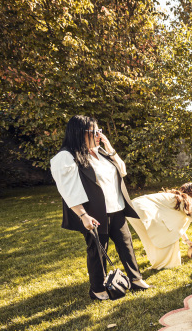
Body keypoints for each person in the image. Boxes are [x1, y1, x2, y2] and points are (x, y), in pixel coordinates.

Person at [50, 115, 149, 300]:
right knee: (98, 251)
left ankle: (136, 280)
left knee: (126, 245)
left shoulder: (100, 151)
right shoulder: (66, 157)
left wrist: (109, 148)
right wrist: (83, 215)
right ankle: (97, 289)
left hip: (117, 207)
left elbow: (122, 171)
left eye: (99, 131)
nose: (99, 135)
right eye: (94, 132)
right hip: (93, 213)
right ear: (80, 133)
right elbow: (68, 191)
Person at [127, 183, 192, 269]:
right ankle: (165, 265)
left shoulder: (176, 198)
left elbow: (175, 225)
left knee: (150, 239)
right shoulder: (185, 200)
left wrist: (186, 240)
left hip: (132, 207)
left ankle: (158, 262)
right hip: (142, 209)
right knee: (167, 236)